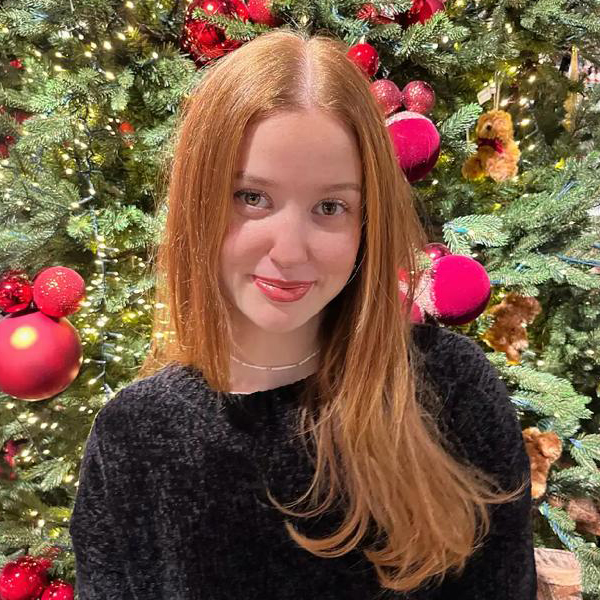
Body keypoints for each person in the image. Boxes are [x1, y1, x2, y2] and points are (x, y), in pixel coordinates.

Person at [69, 28, 537, 599]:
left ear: (366, 222)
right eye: (252, 197)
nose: (289, 251)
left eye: (330, 206)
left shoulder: (449, 391)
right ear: (198, 201)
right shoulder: (134, 435)